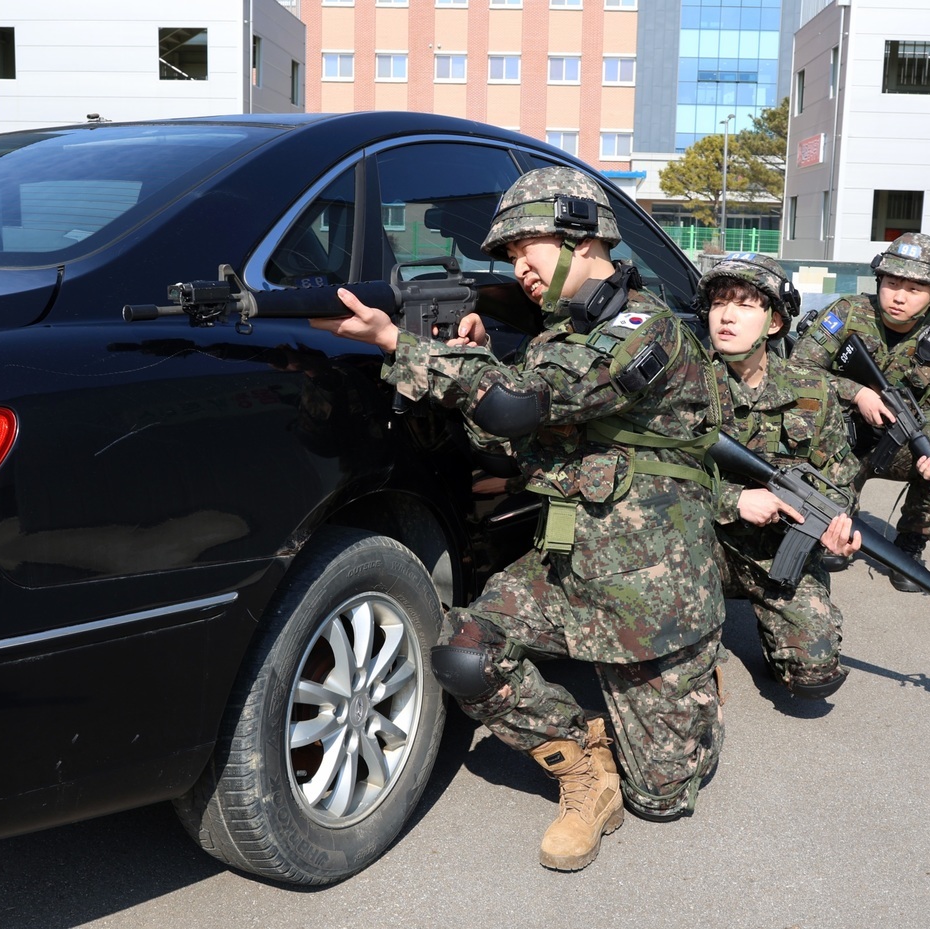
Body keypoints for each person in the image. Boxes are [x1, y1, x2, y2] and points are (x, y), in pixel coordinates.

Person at [310, 166, 726, 871]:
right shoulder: (556, 338)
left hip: (654, 596)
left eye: (525, 245)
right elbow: (508, 437)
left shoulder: (643, 329)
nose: (516, 266)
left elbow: (518, 404)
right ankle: (584, 767)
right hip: (571, 571)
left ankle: (693, 669)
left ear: (581, 238)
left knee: (664, 794)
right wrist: (471, 356)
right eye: (506, 255)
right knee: (464, 651)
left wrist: (398, 344)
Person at [700, 254, 863, 699]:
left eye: (745, 305)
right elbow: (655, 485)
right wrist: (734, 502)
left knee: (814, 673)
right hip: (698, 545)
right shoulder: (686, 384)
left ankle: (778, 635)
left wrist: (838, 526)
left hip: (777, 553)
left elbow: (840, 474)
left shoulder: (814, 390)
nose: (727, 316)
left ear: (774, 323)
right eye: (718, 304)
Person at [790, 232, 930, 593]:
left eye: (915, 289)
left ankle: (910, 547)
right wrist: (858, 394)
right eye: (892, 283)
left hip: (895, 443)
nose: (899, 296)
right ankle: (833, 525)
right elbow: (797, 370)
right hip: (838, 439)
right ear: (879, 280)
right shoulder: (846, 313)